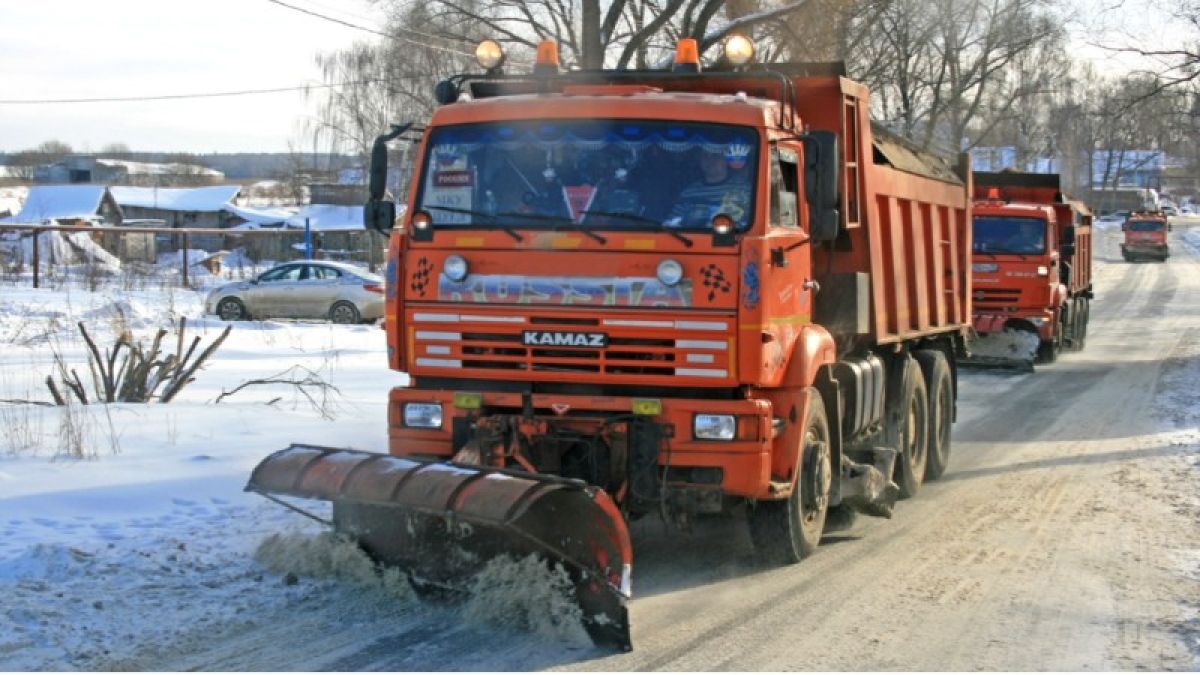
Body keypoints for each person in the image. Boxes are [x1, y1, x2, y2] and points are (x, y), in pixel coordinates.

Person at [666, 148, 751, 228]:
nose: (710, 160)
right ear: (700, 160)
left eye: (715, 155)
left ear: (726, 159)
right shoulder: (689, 192)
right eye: (705, 156)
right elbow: (671, 223)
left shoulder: (743, 188)